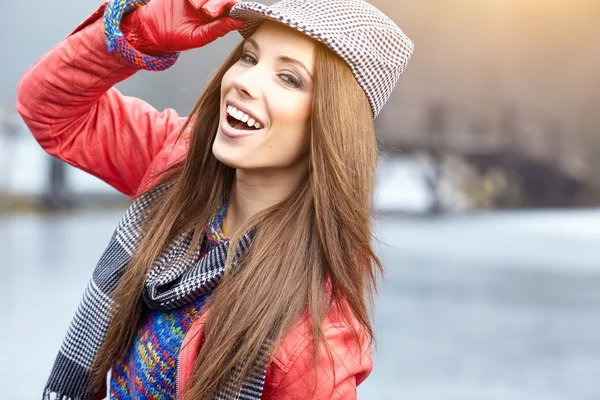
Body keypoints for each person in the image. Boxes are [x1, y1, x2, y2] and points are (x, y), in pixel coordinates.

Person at [15, 0, 414, 398]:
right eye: (249, 57)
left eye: (289, 78)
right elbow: (49, 111)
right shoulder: (178, 164)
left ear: (331, 124)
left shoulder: (314, 344)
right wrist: (143, 32)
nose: (245, 81)